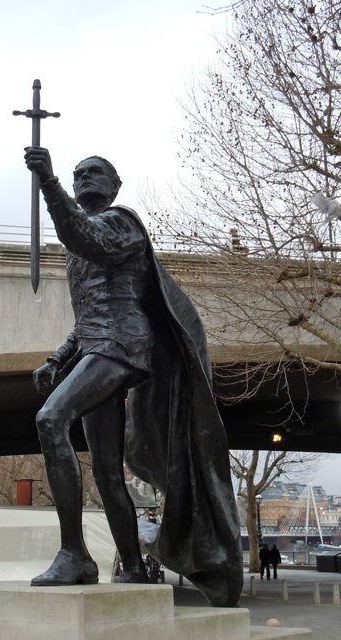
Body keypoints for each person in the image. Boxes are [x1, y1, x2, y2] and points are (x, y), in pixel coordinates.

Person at [24, 146, 243, 607]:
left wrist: (49, 183)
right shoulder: (78, 251)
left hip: (124, 345)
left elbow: (87, 239)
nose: (85, 177)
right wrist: (57, 358)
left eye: (95, 172)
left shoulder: (121, 222)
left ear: (115, 185)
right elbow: (88, 318)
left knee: (50, 419)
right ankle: (135, 567)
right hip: (98, 344)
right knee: (106, 472)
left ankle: (75, 554)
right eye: (78, 173)